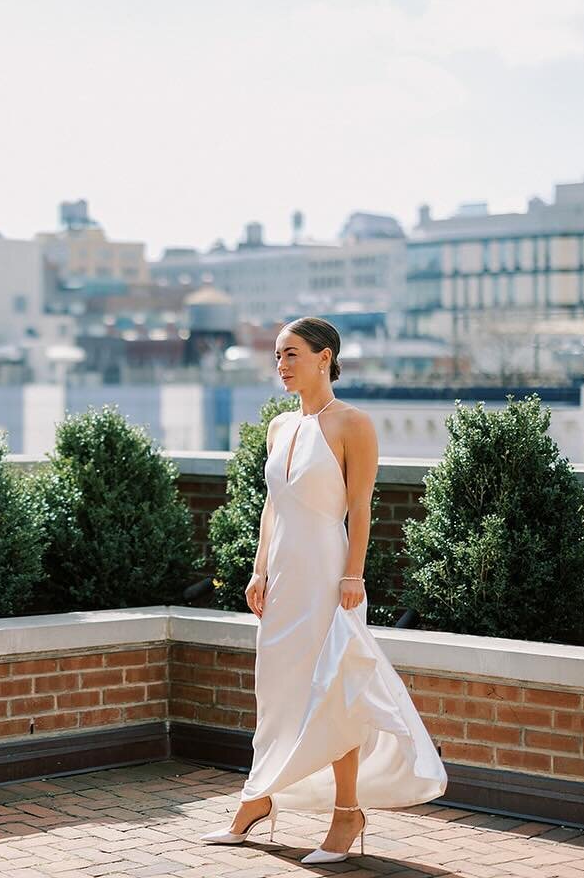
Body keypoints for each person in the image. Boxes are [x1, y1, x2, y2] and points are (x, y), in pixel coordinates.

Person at [200, 317, 447, 863]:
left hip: (328, 575)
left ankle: (346, 813)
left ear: (324, 357)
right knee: (277, 689)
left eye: (291, 354)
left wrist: (353, 575)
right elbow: (272, 506)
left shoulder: (352, 423)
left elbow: (361, 508)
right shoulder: (279, 427)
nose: (281, 365)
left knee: (336, 686)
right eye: (277, 357)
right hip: (283, 575)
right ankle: (258, 800)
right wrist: (258, 569)